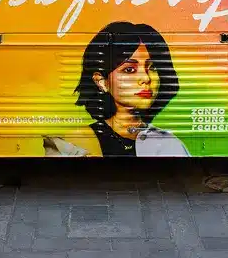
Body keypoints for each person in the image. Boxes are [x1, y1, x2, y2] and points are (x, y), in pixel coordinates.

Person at [72, 21, 188, 157]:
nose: (146, 78)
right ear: (101, 82)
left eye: (152, 68)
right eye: (129, 69)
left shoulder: (169, 144)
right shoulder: (78, 142)